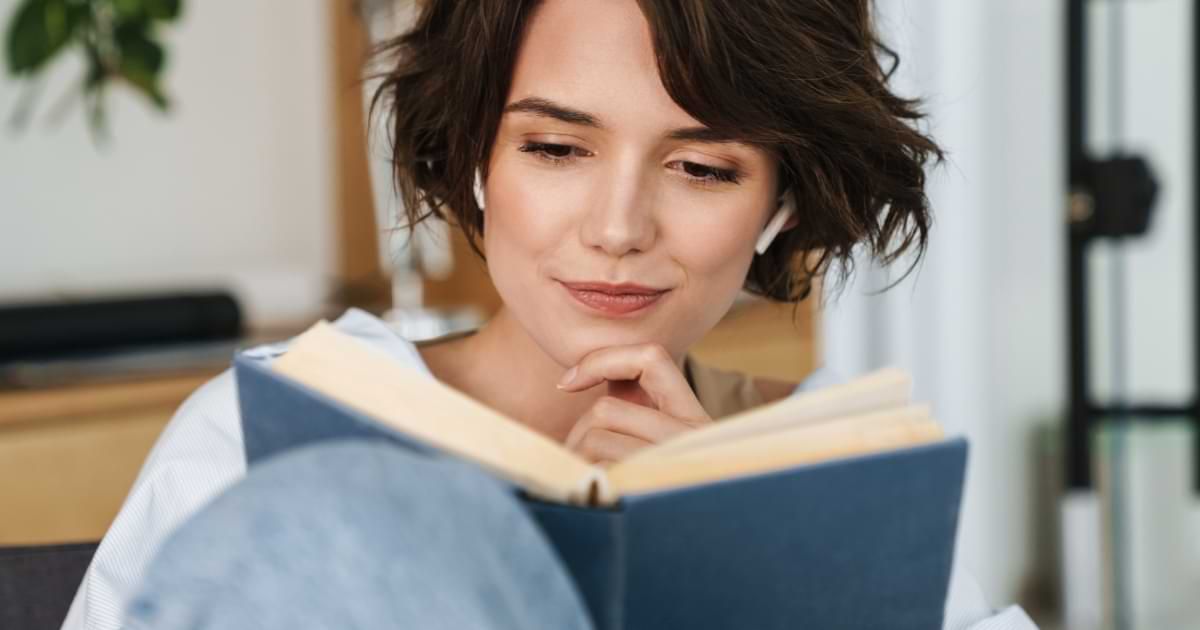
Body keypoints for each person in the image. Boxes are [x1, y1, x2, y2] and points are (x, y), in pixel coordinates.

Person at [62, 0, 1037, 628]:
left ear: (781, 200)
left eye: (701, 168)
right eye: (556, 150)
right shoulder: (256, 433)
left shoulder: (836, 477)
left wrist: (736, 560)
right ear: (478, 159)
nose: (617, 230)